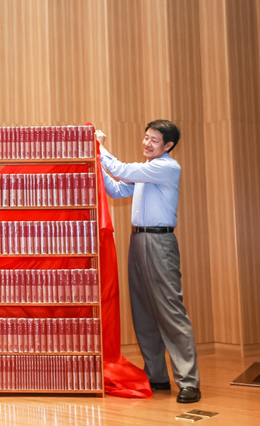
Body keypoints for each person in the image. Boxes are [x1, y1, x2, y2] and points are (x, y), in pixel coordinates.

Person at [96, 120, 200, 404]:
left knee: (170, 311)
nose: (147, 144)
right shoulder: (147, 170)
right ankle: (156, 376)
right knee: (142, 310)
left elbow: (122, 170)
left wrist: (99, 148)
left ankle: (189, 382)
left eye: (154, 140)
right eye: (146, 138)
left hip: (159, 241)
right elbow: (117, 189)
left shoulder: (166, 167)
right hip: (138, 240)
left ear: (168, 145)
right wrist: (96, 162)